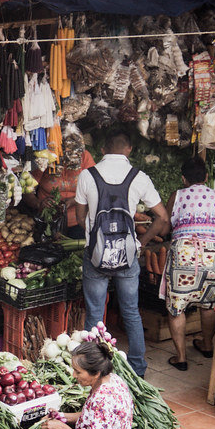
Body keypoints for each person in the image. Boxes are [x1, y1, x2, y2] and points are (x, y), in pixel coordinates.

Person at [75, 132, 169, 377]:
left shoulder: (87, 175)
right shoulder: (139, 178)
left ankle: (91, 369)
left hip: (95, 256)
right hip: (127, 256)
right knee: (130, 312)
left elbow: (79, 217)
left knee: (94, 314)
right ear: (128, 149)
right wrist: (141, 241)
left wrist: (93, 236)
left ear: (104, 149)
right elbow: (163, 217)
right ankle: (138, 368)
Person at [163, 156, 215, 370]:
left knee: (177, 306)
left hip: (184, 253)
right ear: (206, 177)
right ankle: (206, 345)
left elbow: (165, 229)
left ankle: (181, 358)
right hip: (214, 256)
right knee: (209, 303)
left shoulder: (177, 196)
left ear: (184, 178)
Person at [39, 341, 133, 429]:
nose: (74, 375)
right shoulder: (113, 380)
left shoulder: (102, 399)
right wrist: (62, 416)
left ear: (96, 373)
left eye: (78, 372)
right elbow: (92, 416)